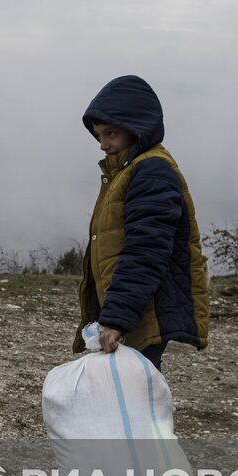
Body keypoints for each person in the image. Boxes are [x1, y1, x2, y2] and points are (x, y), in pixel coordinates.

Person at [73, 75, 209, 370]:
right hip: (132, 307)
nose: (102, 144)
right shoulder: (126, 170)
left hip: (141, 310)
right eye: (98, 135)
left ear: (137, 128)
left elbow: (145, 251)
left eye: (110, 133)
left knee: (133, 399)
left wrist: (117, 318)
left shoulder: (151, 172)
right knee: (126, 397)